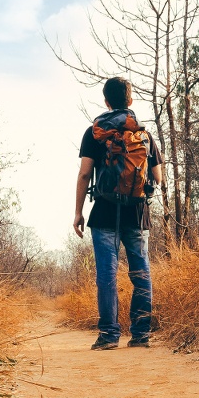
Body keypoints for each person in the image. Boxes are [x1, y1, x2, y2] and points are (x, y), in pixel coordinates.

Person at [73, 77, 165, 350]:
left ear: (106, 102)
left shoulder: (95, 132)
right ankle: (140, 334)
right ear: (130, 100)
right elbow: (158, 178)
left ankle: (109, 335)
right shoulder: (144, 135)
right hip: (137, 213)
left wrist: (78, 212)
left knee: (106, 274)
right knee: (141, 272)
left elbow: (84, 173)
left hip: (103, 211)